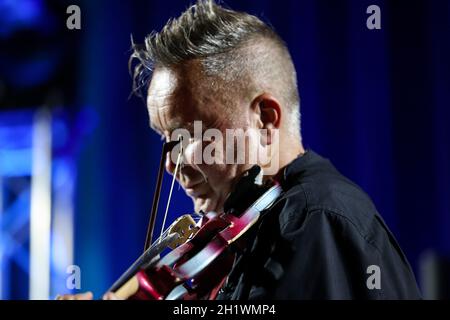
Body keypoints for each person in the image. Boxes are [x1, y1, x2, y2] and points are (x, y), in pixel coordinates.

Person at [58, 0, 421, 300]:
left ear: (265, 119)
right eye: (164, 138)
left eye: (188, 135)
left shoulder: (314, 218)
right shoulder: (257, 231)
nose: (171, 164)